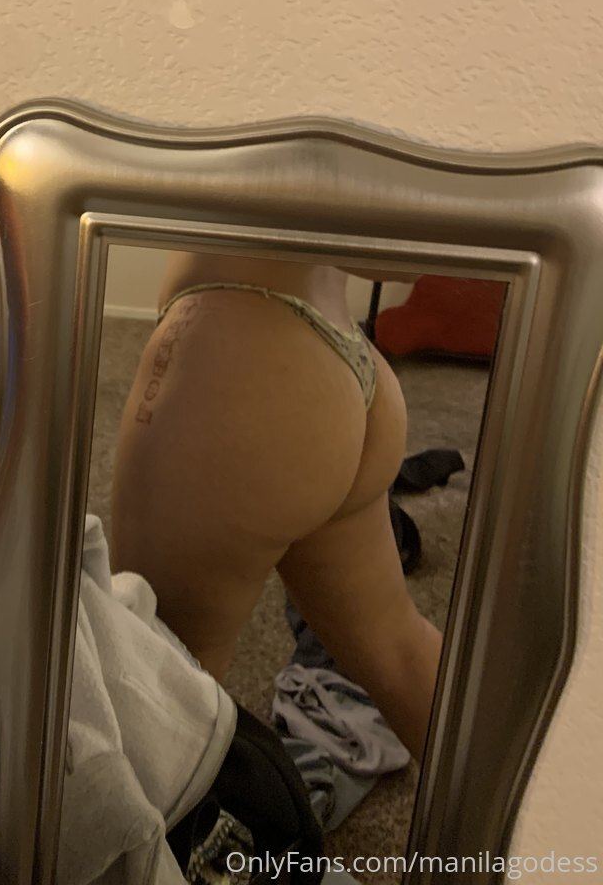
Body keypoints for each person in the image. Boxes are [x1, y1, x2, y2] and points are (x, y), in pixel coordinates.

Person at [109, 251, 442, 762]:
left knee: (154, 689)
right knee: (398, 648)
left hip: (236, 359)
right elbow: (407, 259)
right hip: (334, 350)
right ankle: (538, 810)